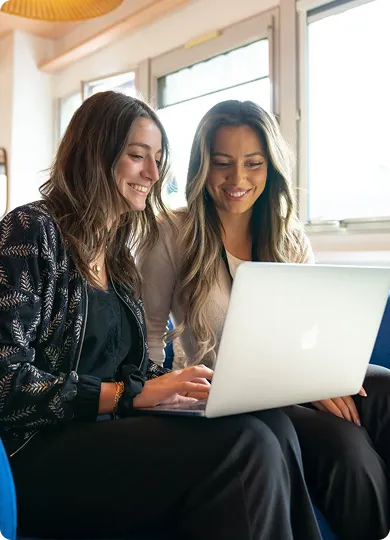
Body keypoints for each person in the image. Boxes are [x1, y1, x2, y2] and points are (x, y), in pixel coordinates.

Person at [0, 91, 322, 540]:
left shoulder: (118, 257)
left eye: (158, 159)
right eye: (137, 156)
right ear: (96, 153)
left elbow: (136, 371)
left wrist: (186, 388)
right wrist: (127, 395)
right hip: (40, 449)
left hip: (106, 430)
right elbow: (6, 382)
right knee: (243, 448)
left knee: (268, 426)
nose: (153, 173)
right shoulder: (30, 231)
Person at [140, 99, 390, 540]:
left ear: (270, 167)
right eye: (222, 164)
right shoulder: (171, 232)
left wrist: (322, 378)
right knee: (347, 447)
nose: (237, 180)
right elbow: (149, 335)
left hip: (293, 379)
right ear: (203, 166)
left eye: (253, 164)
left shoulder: (288, 234)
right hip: (227, 395)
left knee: (386, 387)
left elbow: (314, 329)